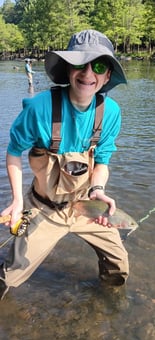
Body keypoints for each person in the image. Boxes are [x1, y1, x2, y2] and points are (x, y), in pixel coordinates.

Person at [0, 29, 129, 300]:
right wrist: (17, 202)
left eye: (99, 65)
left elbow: (102, 160)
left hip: (86, 206)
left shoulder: (111, 113)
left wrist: (98, 190)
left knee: (119, 266)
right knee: (11, 276)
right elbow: (13, 152)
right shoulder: (38, 108)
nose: (88, 74)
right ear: (68, 68)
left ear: (107, 76)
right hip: (45, 209)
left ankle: (110, 303)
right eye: (80, 64)